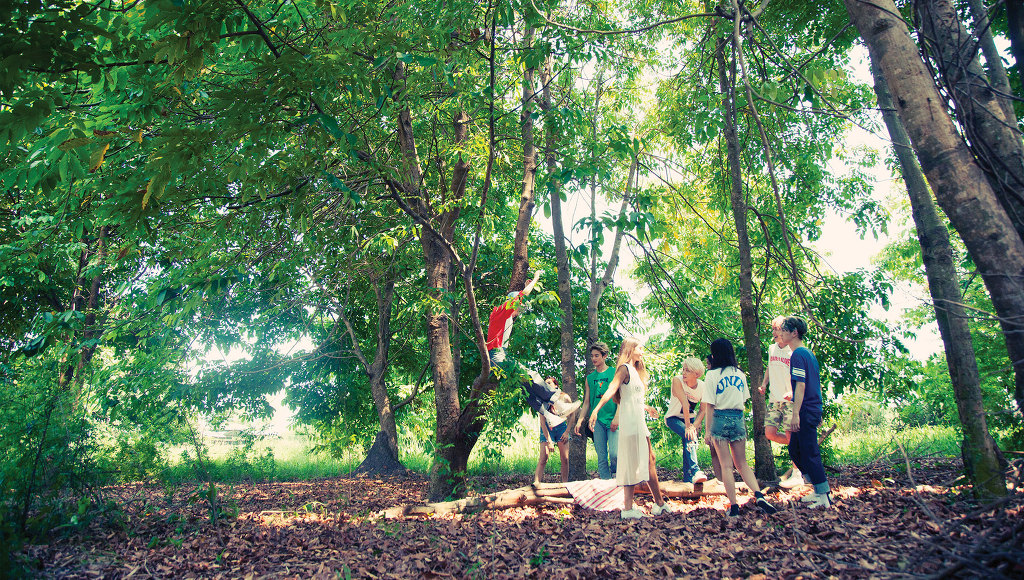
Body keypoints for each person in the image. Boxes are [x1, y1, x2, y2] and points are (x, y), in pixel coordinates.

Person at [588, 337, 675, 519]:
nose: (642, 351)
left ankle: (640, 506)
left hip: (638, 420)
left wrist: (647, 407)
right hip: (631, 422)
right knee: (642, 459)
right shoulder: (624, 369)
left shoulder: (634, 370)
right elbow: (612, 389)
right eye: (640, 348)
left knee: (648, 459)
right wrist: (596, 410)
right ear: (631, 349)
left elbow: (631, 398)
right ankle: (653, 505)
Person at [486, 269, 580, 421]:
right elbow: (523, 295)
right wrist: (536, 279)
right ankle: (557, 401)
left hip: (499, 355)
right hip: (497, 355)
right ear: (513, 303)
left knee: (526, 386)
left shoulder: (505, 317)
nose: (518, 312)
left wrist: (524, 286)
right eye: (518, 308)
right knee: (530, 375)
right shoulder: (502, 310)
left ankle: (549, 415)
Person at [703, 338, 778, 518]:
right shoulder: (740, 374)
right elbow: (743, 399)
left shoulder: (712, 375)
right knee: (742, 463)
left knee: (726, 466)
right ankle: (759, 495)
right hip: (737, 418)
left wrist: (707, 431)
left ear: (715, 355)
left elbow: (709, 406)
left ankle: (734, 506)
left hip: (720, 418)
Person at [777, 316, 832, 508]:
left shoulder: (799, 354)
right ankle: (817, 489)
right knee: (795, 449)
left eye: (784, 330)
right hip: (809, 408)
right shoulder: (805, 354)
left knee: (809, 452)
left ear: (794, 333)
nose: (781, 333)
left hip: (805, 409)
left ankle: (824, 497)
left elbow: (801, 385)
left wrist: (795, 414)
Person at [758, 316, 803, 488]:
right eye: (772, 329)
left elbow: (799, 375)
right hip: (774, 398)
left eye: (777, 329)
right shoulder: (772, 348)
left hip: (789, 400)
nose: (774, 332)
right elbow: (769, 367)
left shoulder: (793, 351)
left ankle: (797, 473)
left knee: (791, 434)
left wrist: (792, 391)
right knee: (770, 433)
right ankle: (799, 445)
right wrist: (764, 383)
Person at [574, 341, 618, 479]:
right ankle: (606, 484)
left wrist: (617, 417)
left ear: (604, 356)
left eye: (597, 355)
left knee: (615, 454)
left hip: (613, 418)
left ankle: (617, 477)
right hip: (597, 421)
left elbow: (621, 397)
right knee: (601, 457)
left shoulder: (614, 372)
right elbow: (587, 402)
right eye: (592, 356)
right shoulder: (590, 378)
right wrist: (580, 421)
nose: (593, 358)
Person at [666, 357, 709, 484]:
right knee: (689, 435)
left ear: (697, 374)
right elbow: (685, 403)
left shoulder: (703, 387)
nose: (684, 373)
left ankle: (688, 480)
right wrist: (689, 427)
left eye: (688, 371)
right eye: (683, 369)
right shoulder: (677, 380)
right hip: (673, 418)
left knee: (688, 439)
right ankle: (695, 470)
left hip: (690, 419)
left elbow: (703, 410)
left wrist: (693, 426)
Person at [536, 377, 573, 483]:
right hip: (547, 428)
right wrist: (549, 440)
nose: (547, 385)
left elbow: (572, 415)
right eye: (545, 383)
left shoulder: (564, 397)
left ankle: (565, 484)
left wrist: (567, 432)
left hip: (561, 428)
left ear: (556, 385)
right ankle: (536, 483)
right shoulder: (542, 399)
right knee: (544, 457)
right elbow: (542, 421)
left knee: (565, 458)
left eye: (549, 383)